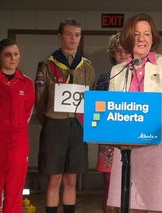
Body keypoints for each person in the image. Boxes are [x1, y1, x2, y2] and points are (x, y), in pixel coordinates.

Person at [107, 13, 162, 212]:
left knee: (157, 207)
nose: (141, 39)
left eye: (146, 34)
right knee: (130, 207)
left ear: (153, 38)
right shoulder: (118, 70)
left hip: (160, 144)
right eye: (136, 34)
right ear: (128, 37)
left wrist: (160, 121)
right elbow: (113, 108)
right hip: (127, 148)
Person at [35, 18, 96, 213]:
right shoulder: (47, 65)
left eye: (77, 35)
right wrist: (50, 120)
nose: (73, 39)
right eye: (69, 34)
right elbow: (40, 100)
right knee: (55, 178)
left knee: (71, 178)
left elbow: (91, 98)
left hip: (77, 125)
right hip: (55, 124)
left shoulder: (87, 67)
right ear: (60, 36)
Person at [96, 32, 130, 213]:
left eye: (126, 51)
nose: (122, 55)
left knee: (131, 182)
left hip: (134, 138)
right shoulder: (104, 78)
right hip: (109, 138)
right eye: (118, 51)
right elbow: (96, 109)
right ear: (112, 54)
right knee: (109, 184)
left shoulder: (141, 77)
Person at [0, 39, 35, 213]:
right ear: (0, 56)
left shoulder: (26, 83)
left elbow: (27, 113)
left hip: (18, 143)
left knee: (14, 189)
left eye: (16, 54)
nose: (13, 58)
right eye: (8, 54)